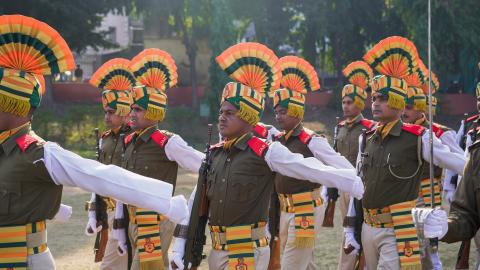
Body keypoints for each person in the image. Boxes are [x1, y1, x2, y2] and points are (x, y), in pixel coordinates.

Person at [0, 14, 187, 269]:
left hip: (24, 260)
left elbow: (103, 176)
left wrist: (165, 202)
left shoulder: (39, 153)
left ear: (13, 104)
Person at [169, 42, 364, 270]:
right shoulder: (214, 154)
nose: (222, 118)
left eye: (230, 113)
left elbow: (309, 168)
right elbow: (196, 200)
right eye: (221, 112)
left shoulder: (267, 150)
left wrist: (352, 180)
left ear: (248, 117)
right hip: (218, 250)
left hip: (249, 247)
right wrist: (180, 246)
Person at [344, 36, 466, 270]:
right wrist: (350, 228)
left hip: (398, 228)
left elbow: (456, 161)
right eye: (374, 98)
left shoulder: (417, 137)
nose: (376, 103)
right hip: (368, 227)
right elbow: (358, 185)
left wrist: (473, 171)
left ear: (398, 101)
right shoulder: (365, 138)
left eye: (383, 99)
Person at [112, 48, 205, 270]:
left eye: (138, 109)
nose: (131, 114)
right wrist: (120, 227)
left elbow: (206, 165)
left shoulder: (168, 142)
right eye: (131, 108)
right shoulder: (129, 142)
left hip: (155, 223)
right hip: (134, 222)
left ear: (153, 111)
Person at [272, 55, 354, 270]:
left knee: (291, 264)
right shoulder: (276, 141)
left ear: (297, 112)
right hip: (283, 209)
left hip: (305, 209)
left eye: (284, 112)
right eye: (277, 112)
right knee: (304, 264)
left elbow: (337, 161)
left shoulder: (313, 140)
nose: (279, 116)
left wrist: (356, 179)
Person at [85, 58, 137, 269]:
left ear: (124, 111)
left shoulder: (135, 137)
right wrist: (92, 211)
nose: (106, 116)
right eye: (105, 111)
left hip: (129, 213)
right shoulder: (104, 138)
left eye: (111, 112)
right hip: (107, 211)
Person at [336, 60, 376, 270]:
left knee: (363, 228)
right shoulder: (340, 128)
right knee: (347, 230)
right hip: (344, 186)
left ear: (360, 103)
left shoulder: (371, 128)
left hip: (362, 187)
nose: (346, 106)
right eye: (343, 102)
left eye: (350, 102)